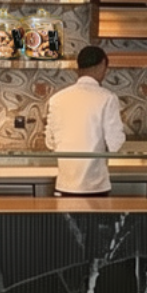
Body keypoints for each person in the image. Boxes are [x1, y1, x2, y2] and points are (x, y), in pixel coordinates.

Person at [45, 45, 126, 196]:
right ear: (102, 64)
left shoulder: (57, 99)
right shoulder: (107, 98)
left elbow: (50, 142)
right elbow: (115, 143)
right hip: (95, 187)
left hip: (64, 186)